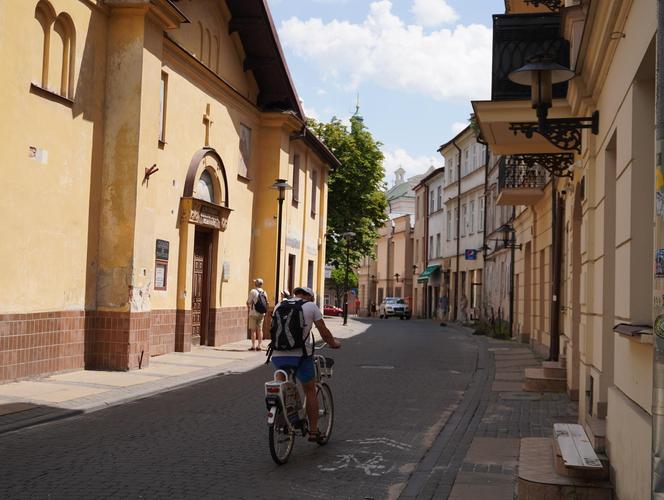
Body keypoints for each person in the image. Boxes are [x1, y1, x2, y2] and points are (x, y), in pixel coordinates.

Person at [271, 286, 341, 442]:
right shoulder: (311, 306)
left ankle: (284, 416)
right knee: (310, 390)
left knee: (283, 386)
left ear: (296, 295)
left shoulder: (279, 305)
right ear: (310, 297)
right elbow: (324, 332)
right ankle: (314, 431)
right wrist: (334, 343)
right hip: (301, 356)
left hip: (277, 355)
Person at [246, 278, 267, 351]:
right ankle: (259, 346)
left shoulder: (253, 291)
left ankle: (253, 346)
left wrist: (249, 306)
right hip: (261, 313)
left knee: (253, 330)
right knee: (260, 330)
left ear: (256, 284)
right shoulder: (264, 292)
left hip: (253, 313)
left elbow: (248, 302)